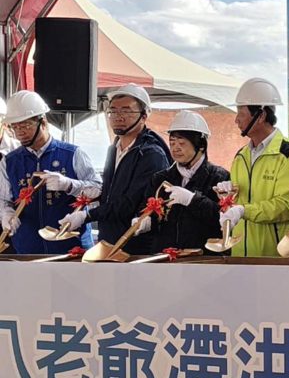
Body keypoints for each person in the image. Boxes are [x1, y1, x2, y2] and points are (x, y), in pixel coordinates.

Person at [60, 83, 170, 255]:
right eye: (113, 111)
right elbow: (114, 193)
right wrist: (98, 194)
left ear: (143, 116)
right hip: (109, 239)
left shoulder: (151, 154)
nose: (118, 117)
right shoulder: (114, 149)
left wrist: (87, 216)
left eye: (126, 111)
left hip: (135, 245)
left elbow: (129, 202)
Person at [215, 78, 289, 257]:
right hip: (242, 257)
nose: (236, 120)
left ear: (261, 115)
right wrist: (228, 196)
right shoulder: (241, 156)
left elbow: (286, 206)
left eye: (241, 113)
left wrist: (244, 210)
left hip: (277, 259)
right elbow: (239, 202)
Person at [0, 90, 100, 254]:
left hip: (72, 247)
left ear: (43, 123)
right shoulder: (9, 161)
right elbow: (4, 199)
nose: (19, 132)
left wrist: (69, 185)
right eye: (15, 127)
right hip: (28, 249)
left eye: (25, 125)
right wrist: (6, 214)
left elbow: (98, 189)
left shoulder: (72, 154)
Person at [131, 110, 230, 253]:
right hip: (166, 257)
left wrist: (192, 200)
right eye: (172, 143)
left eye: (181, 143)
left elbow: (224, 219)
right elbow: (147, 210)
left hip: (203, 257)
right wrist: (145, 221)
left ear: (201, 145)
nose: (175, 148)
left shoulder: (220, 177)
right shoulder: (160, 178)